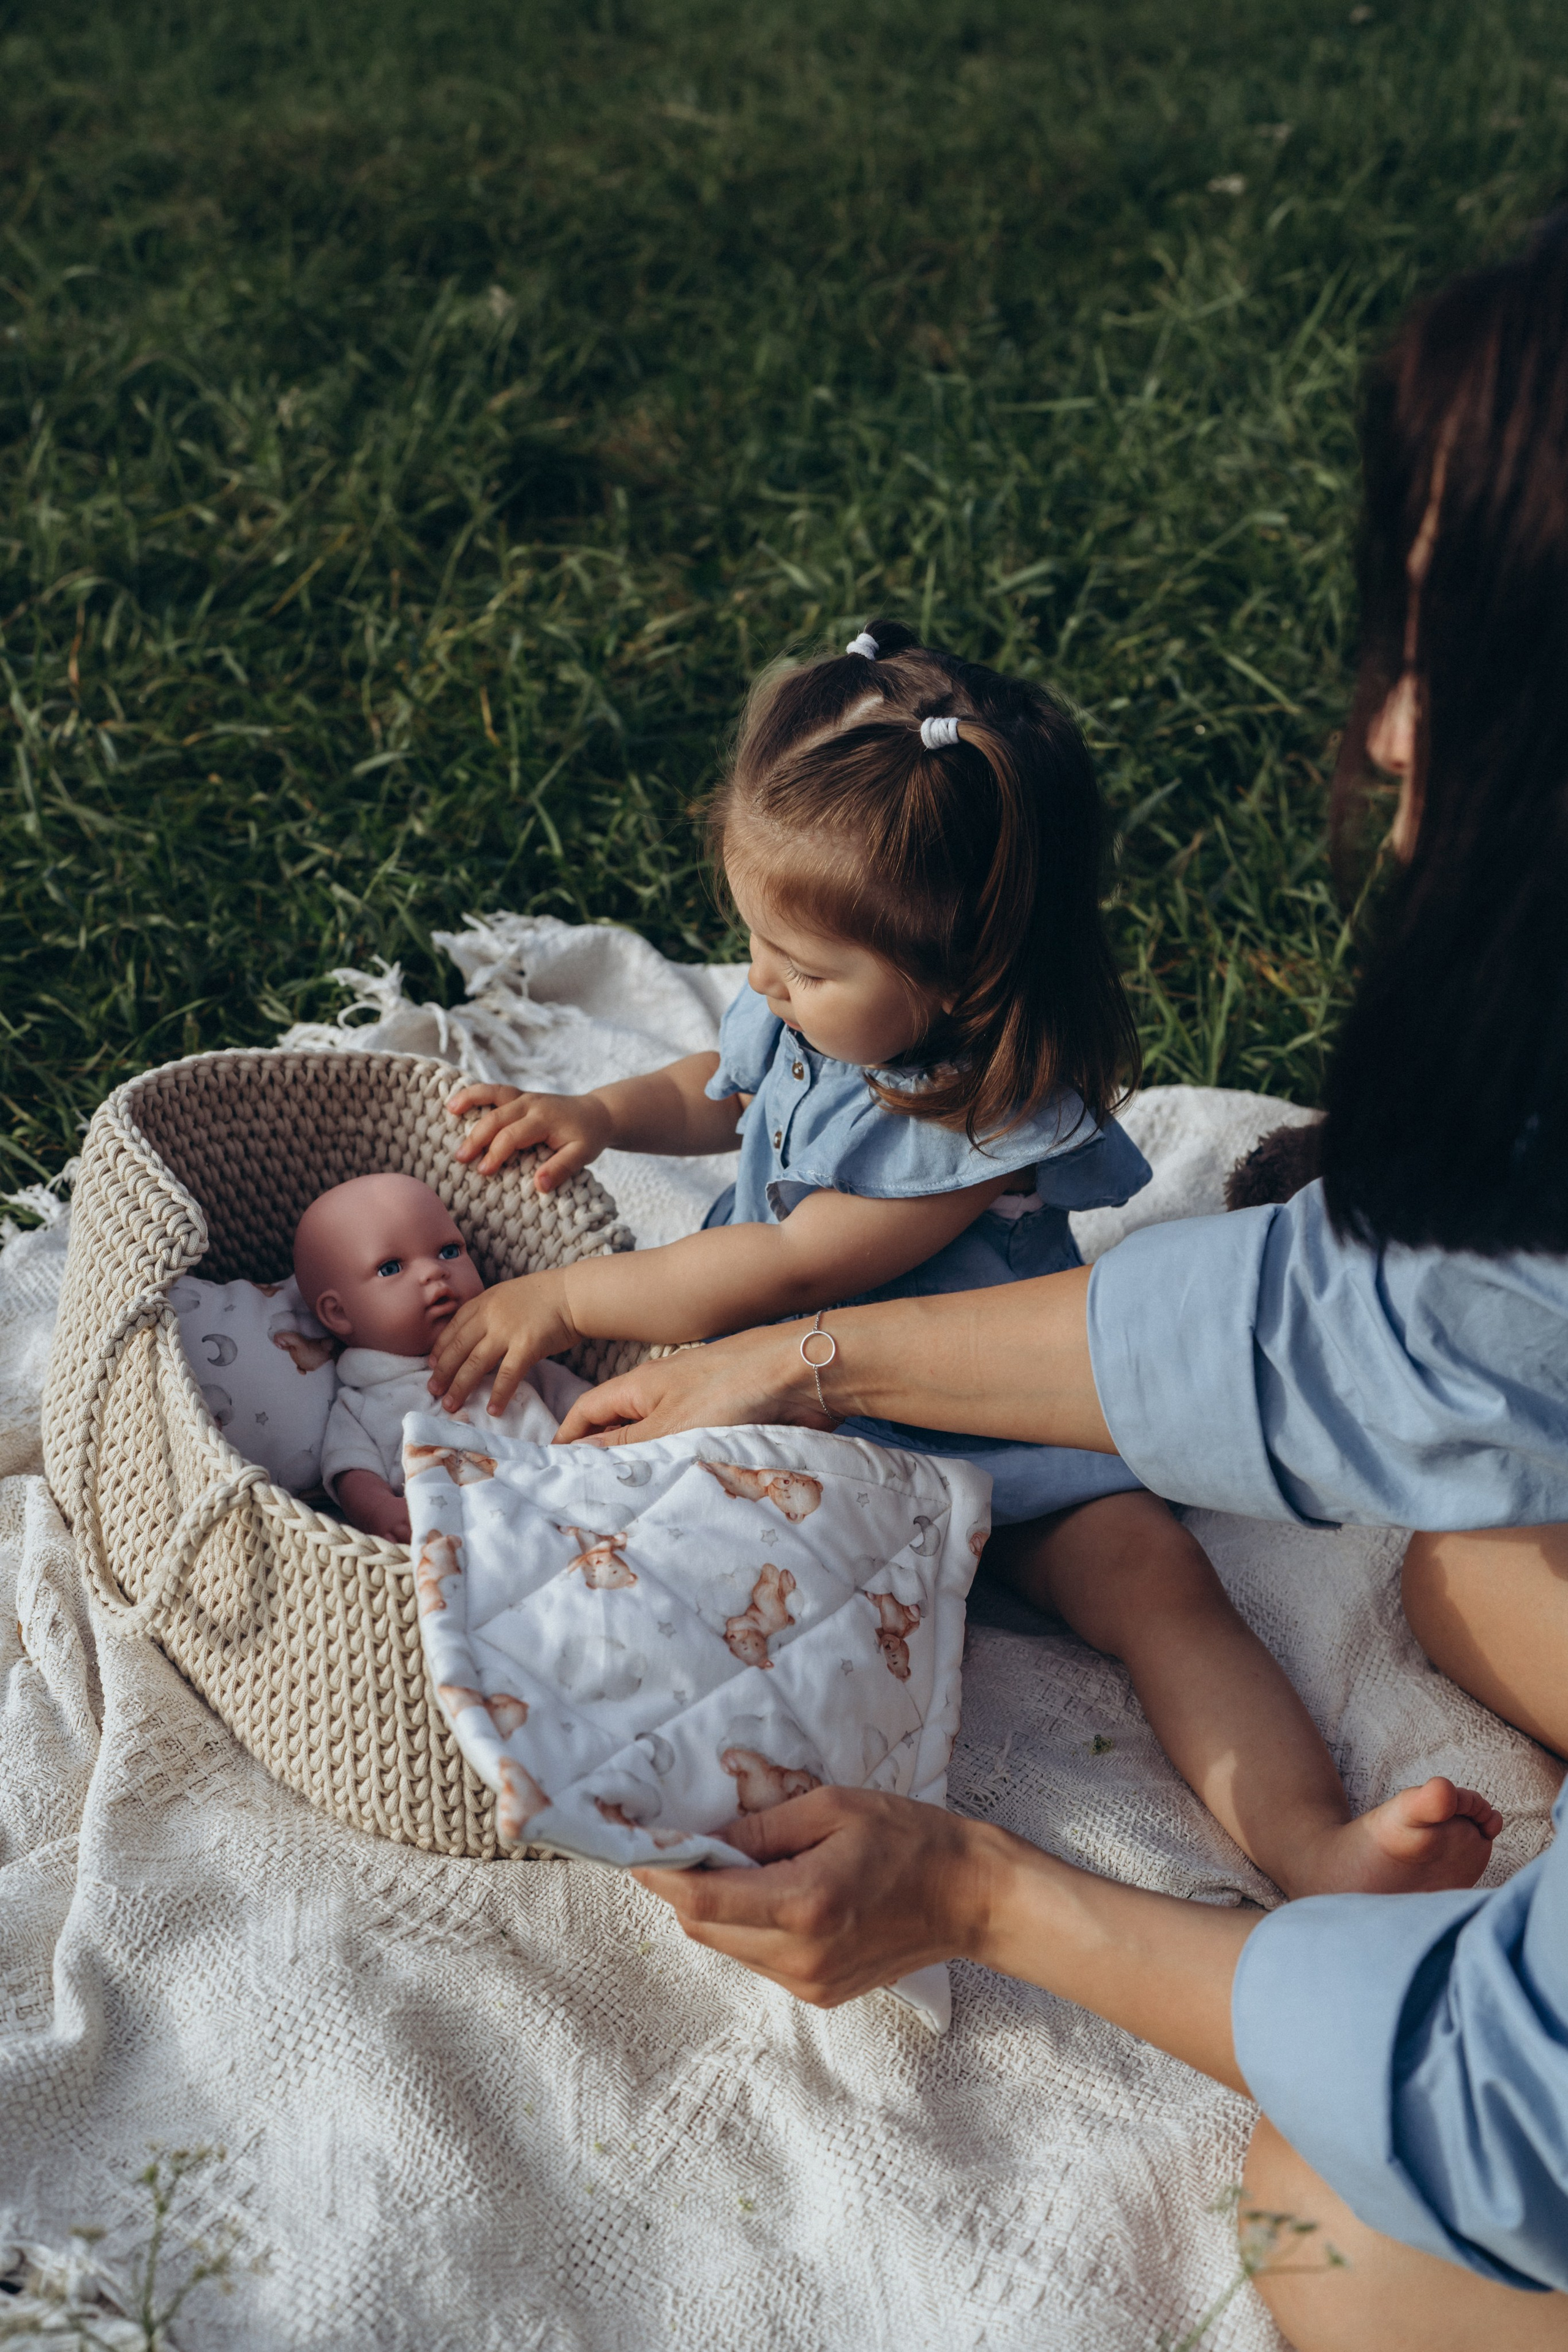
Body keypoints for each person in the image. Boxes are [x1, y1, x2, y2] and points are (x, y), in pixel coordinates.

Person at [545, 216, 1568, 2346]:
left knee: (1322, 2204)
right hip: (895, 1402)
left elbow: (1498, 2107)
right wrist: (742, 1314)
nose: (1381, 733)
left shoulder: (960, 1127)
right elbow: (1394, 1339)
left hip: (1008, 1462)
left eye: (1452, 647)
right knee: (1469, 1573)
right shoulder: (782, 1028)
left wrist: (988, 1887)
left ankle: (1300, 1836)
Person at [429, 629, 1493, 1899]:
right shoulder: (800, 1006)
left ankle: (1314, 1844)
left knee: (1158, 1593)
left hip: (989, 1419)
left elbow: (776, 1267)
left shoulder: (971, 1121)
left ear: (963, 979)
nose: (760, 984)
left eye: (805, 969)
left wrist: (558, 1297)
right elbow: (712, 1086)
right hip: (809, 1425)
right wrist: (603, 1115)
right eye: (754, 946)